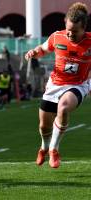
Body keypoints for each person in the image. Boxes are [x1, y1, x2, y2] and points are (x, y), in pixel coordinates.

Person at [25, 2, 91, 168]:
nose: (70, 34)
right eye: (68, 30)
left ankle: (54, 150)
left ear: (84, 28)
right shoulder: (57, 37)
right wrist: (34, 52)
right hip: (55, 84)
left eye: (75, 31)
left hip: (78, 85)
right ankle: (44, 147)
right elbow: (43, 49)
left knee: (63, 107)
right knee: (43, 125)